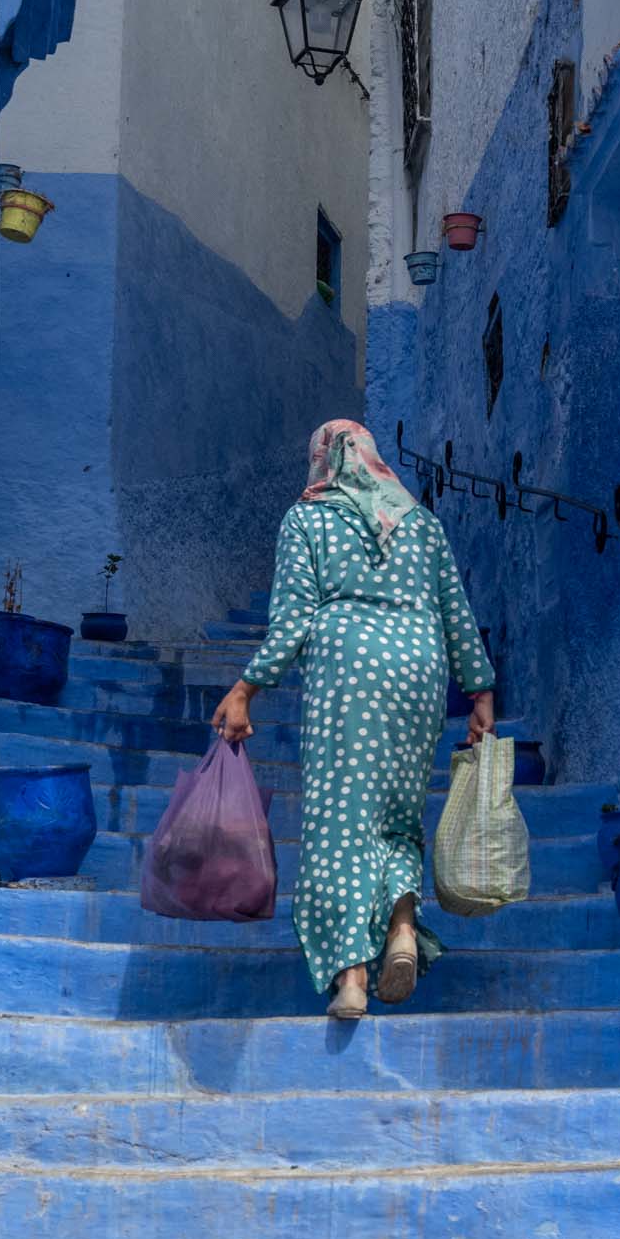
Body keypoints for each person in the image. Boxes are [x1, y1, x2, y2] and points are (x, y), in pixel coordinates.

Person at [212, 419, 495, 1020]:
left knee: (341, 826)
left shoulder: (308, 519)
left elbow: (291, 623)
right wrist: (481, 695)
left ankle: (352, 980)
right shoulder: (421, 523)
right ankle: (399, 926)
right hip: (419, 671)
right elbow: (457, 612)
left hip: (350, 676)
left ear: (322, 460)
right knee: (398, 817)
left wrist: (245, 689)